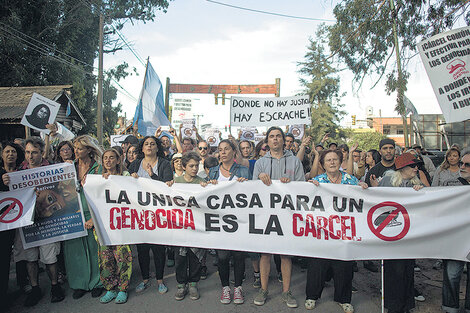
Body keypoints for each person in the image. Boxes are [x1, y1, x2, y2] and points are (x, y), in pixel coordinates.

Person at [3, 137, 64, 306]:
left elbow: (61, 190)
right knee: (30, 258)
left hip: (47, 223)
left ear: (41, 152)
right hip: (27, 224)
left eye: (34, 152)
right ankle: (35, 288)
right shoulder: (18, 172)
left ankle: (55, 286)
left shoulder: (51, 168)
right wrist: (6, 181)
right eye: (28, 152)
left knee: (50, 257)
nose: (30, 156)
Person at [305, 149, 368, 312]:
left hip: (344, 232)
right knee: (317, 264)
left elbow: (362, 199)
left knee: (344, 265)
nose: (332, 162)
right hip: (322, 231)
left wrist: (363, 187)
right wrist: (309, 188)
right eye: (328, 160)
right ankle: (312, 296)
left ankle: (344, 298)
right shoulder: (317, 180)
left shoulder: (351, 180)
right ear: (323, 164)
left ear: (340, 162)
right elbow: (306, 199)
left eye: (335, 159)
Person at [252, 126, 305, 308]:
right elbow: (252, 190)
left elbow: (301, 188)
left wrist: (290, 185)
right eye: (271, 137)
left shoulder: (295, 162)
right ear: (267, 141)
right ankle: (264, 290)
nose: (275, 139)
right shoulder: (260, 163)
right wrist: (259, 176)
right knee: (265, 253)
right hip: (266, 215)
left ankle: (286, 291)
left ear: (283, 140)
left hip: (287, 214)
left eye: (278, 136)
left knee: (285, 254)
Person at [378, 152, 424, 313]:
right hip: (391, 231)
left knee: (407, 270)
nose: (416, 168)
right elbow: (376, 201)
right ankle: (394, 306)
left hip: (409, 234)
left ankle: (406, 305)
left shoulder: (416, 183)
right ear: (403, 167)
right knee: (393, 270)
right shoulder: (387, 181)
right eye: (413, 165)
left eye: (417, 165)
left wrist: (420, 192)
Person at [207, 140, 251, 304]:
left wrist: (245, 185)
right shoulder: (212, 172)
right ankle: (225, 287)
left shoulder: (244, 171)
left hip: (239, 220)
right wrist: (206, 185)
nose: (223, 152)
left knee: (239, 255)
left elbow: (252, 193)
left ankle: (238, 288)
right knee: (223, 257)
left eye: (226, 149)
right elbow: (203, 191)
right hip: (219, 221)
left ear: (234, 151)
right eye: (220, 150)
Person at [128, 136, 172, 295]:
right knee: (142, 249)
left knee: (159, 248)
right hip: (139, 214)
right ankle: (145, 278)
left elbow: (167, 186)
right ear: (142, 147)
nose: (149, 146)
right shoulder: (134, 164)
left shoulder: (165, 164)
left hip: (158, 213)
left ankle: (160, 280)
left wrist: (152, 174)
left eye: (152, 144)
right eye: (146, 144)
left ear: (157, 148)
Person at [64, 135, 103, 300]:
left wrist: (94, 218)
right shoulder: (68, 167)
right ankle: (79, 283)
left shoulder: (98, 168)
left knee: (95, 249)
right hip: (73, 213)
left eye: (80, 148)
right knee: (75, 250)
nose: (76, 151)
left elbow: (102, 195)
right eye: (75, 148)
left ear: (89, 150)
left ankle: (97, 283)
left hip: (92, 213)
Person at [166, 152, 208, 301]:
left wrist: (207, 187)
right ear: (183, 167)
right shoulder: (176, 182)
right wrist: (169, 186)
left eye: (197, 166)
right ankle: (181, 284)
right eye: (191, 166)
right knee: (181, 257)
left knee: (196, 256)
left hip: (197, 226)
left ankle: (193, 283)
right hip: (180, 227)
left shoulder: (202, 182)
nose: (195, 168)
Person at [98, 149, 133, 304]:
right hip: (103, 225)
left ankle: (123, 288)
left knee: (122, 256)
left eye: (112, 158)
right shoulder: (97, 179)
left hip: (121, 224)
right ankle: (110, 288)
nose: (108, 161)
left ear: (118, 160)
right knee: (106, 258)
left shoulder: (125, 177)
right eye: (105, 158)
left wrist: (134, 179)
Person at [439, 148, 470, 313]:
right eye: (461, 163)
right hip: (455, 238)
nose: (462, 167)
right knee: (452, 274)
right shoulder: (456, 187)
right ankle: (450, 308)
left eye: (467, 164)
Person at [0, 142, 25, 308]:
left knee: (22, 254)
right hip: (3, 224)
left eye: (13, 152)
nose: (10, 154)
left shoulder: (23, 173)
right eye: (7, 151)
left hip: (21, 221)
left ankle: (23, 285)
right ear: (2, 155)